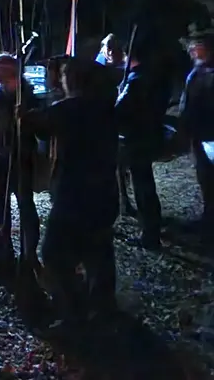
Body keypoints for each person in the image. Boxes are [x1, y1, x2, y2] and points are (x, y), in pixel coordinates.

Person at [21, 56, 119, 324]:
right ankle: (102, 305)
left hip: (75, 195)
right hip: (104, 192)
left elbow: (38, 124)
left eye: (64, 75)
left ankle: (72, 310)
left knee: (54, 254)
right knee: (98, 250)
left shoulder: (71, 108)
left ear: (74, 80)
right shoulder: (106, 105)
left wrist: (23, 113)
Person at [0, 53, 42, 270]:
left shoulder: (28, 96)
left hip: (21, 157)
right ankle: (5, 247)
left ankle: (29, 252)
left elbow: (42, 129)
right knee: (1, 205)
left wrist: (27, 116)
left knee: (25, 204)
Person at [115, 36, 171, 249]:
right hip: (148, 135)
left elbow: (121, 110)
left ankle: (150, 234)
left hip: (137, 138)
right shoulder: (153, 77)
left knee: (143, 187)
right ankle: (151, 228)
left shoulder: (136, 80)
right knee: (145, 184)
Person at [179, 31, 214, 235]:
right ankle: (208, 216)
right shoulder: (198, 71)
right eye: (191, 47)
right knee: (205, 177)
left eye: (197, 46)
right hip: (199, 134)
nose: (192, 51)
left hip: (209, 134)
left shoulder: (208, 74)